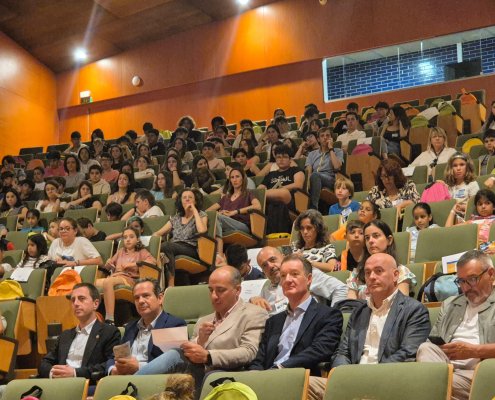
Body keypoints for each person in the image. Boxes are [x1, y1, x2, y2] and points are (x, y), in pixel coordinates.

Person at [135, 267, 268, 394]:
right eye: (211, 290)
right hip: (197, 373)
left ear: (237, 290)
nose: (214, 296)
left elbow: (249, 352)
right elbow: (191, 353)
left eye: (220, 290)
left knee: (175, 355)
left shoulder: (253, 314)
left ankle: (128, 385)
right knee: (176, 362)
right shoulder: (203, 320)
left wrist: (208, 356)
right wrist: (200, 340)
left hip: (228, 374)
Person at [248, 254, 343, 400]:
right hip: (268, 378)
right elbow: (260, 358)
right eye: (283, 275)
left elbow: (320, 349)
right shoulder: (273, 321)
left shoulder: (328, 315)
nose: (287, 280)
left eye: (294, 274)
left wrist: (282, 367)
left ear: (309, 279)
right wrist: (253, 375)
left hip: (301, 378)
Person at [416, 250, 495, 400]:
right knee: (425, 348)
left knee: (424, 384)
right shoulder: (450, 304)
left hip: (481, 373)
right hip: (445, 367)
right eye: (461, 281)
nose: (466, 288)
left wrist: (474, 351)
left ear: (491, 274)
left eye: (472, 279)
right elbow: (433, 343)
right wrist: (443, 349)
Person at [333, 253, 430, 366]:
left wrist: (373, 373)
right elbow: (342, 353)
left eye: (378, 271)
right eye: (368, 272)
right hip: (353, 374)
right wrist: (346, 373)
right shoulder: (358, 313)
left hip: (389, 375)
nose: (372, 277)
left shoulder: (414, 310)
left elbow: (408, 353)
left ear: (395, 275)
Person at [38, 283, 120, 383]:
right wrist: (53, 372)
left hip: (87, 384)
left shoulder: (109, 332)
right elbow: (45, 362)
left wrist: (75, 373)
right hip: (59, 383)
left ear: (95, 304)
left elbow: (109, 364)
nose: (76, 303)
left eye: (81, 298)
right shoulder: (65, 335)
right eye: (73, 300)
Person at [250, 247, 347, 315]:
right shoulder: (266, 288)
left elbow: (340, 288)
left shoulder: (304, 274)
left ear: (284, 257)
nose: (270, 266)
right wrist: (253, 300)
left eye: (272, 260)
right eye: (264, 265)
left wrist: (334, 316)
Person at [97, 227, 157, 325]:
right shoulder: (121, 251)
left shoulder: (141, 251)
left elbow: (153, 262)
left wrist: (133, 264)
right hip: (116, 277)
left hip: (130, 279)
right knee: (93, 283)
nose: (128, 239)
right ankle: (96, 317)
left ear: (137, 239)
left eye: (131, 237)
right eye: (125, 237)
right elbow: (108, 267)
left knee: (108, 282)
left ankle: (109, 319)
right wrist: (108, 263)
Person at [347, 220, 416, 299]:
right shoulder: (357, 273)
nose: (370, 241)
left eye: (376, 236)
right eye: (367, 238)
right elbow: (350, 303)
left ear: (389, 240)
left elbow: (402, 303)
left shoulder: (401, 271)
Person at [152, 188, 207, 287]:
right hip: (174, 247)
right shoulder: (176, 218)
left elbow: (202, 231)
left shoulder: (201, 215)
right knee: (161, 247)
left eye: (190, 197)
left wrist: (194, 210)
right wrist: (152, 239)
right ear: (180, 201)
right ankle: (157, 284)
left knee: (167, 246)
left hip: (191, 248)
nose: (187, 199)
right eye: (184, 197)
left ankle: (171, 283)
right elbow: (159, 232)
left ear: (195, 201)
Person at [207, 166, 261, 256]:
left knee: (217, 218)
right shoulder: (226, 197)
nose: (235, 180)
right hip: (225, 225)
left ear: (243, 178)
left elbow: (257, 206)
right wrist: (219, 213)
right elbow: (208, 211)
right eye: (232, 177)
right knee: (211, 217)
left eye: (237, 176)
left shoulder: (248, 193)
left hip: (242, 225)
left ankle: (219, 253)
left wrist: (235, 212)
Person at [258, 145, 304, 234]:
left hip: (290, 200)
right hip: (271, 201)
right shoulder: (271, 174)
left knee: (283, 193)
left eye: (285, 157)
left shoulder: (296, 170)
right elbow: (260, 189)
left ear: (290, 159)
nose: (281, 159)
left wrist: (279, 189)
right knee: (273, 205)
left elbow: (298, 185)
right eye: (278, 157)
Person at [306, 127, 344, 210]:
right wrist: (307, 183)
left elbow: (337, 167)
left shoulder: (338, 151)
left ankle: (313, 208)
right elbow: (308, 171)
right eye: (322, 136)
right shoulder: (312, 154)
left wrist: (331, 149)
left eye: (328, 135)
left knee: (315, 175)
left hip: (331, 179)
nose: (325, 138)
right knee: (313, 177)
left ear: (331, 138)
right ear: (318, 139)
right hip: (314, 179)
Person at [443, 152, 479, 219]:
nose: (458, 168)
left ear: (468, 167)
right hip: (449, 215)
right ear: (450, 168)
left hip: (466, 217)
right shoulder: (449, 186)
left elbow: (476, 207)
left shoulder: (472, 184)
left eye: (462, 164)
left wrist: (462, 207)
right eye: (455, 165)